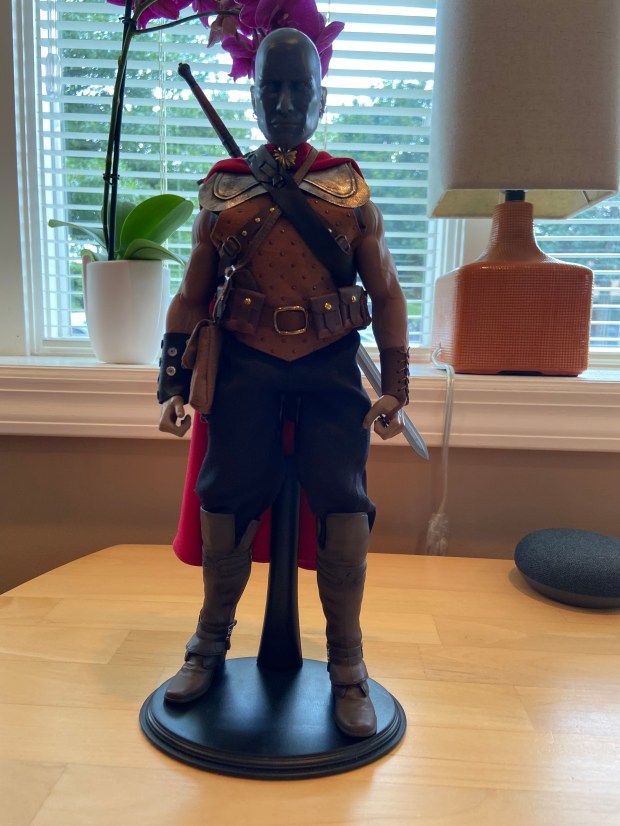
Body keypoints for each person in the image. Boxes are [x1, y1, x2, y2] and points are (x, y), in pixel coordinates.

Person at [156, 26, 409, 739]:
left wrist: (396, 384)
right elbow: (191, 297)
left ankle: (347, 663)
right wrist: (171, 382)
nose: (287, 103)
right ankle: (209, 642)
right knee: (225, 497)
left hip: (330, 369)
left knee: (343, 505)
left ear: (322, 97)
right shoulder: (225, 191)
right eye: (273, 87)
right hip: (244, 369)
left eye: (301, 88)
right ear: (255, 96)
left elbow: (387, 293)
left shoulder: (348, 191)